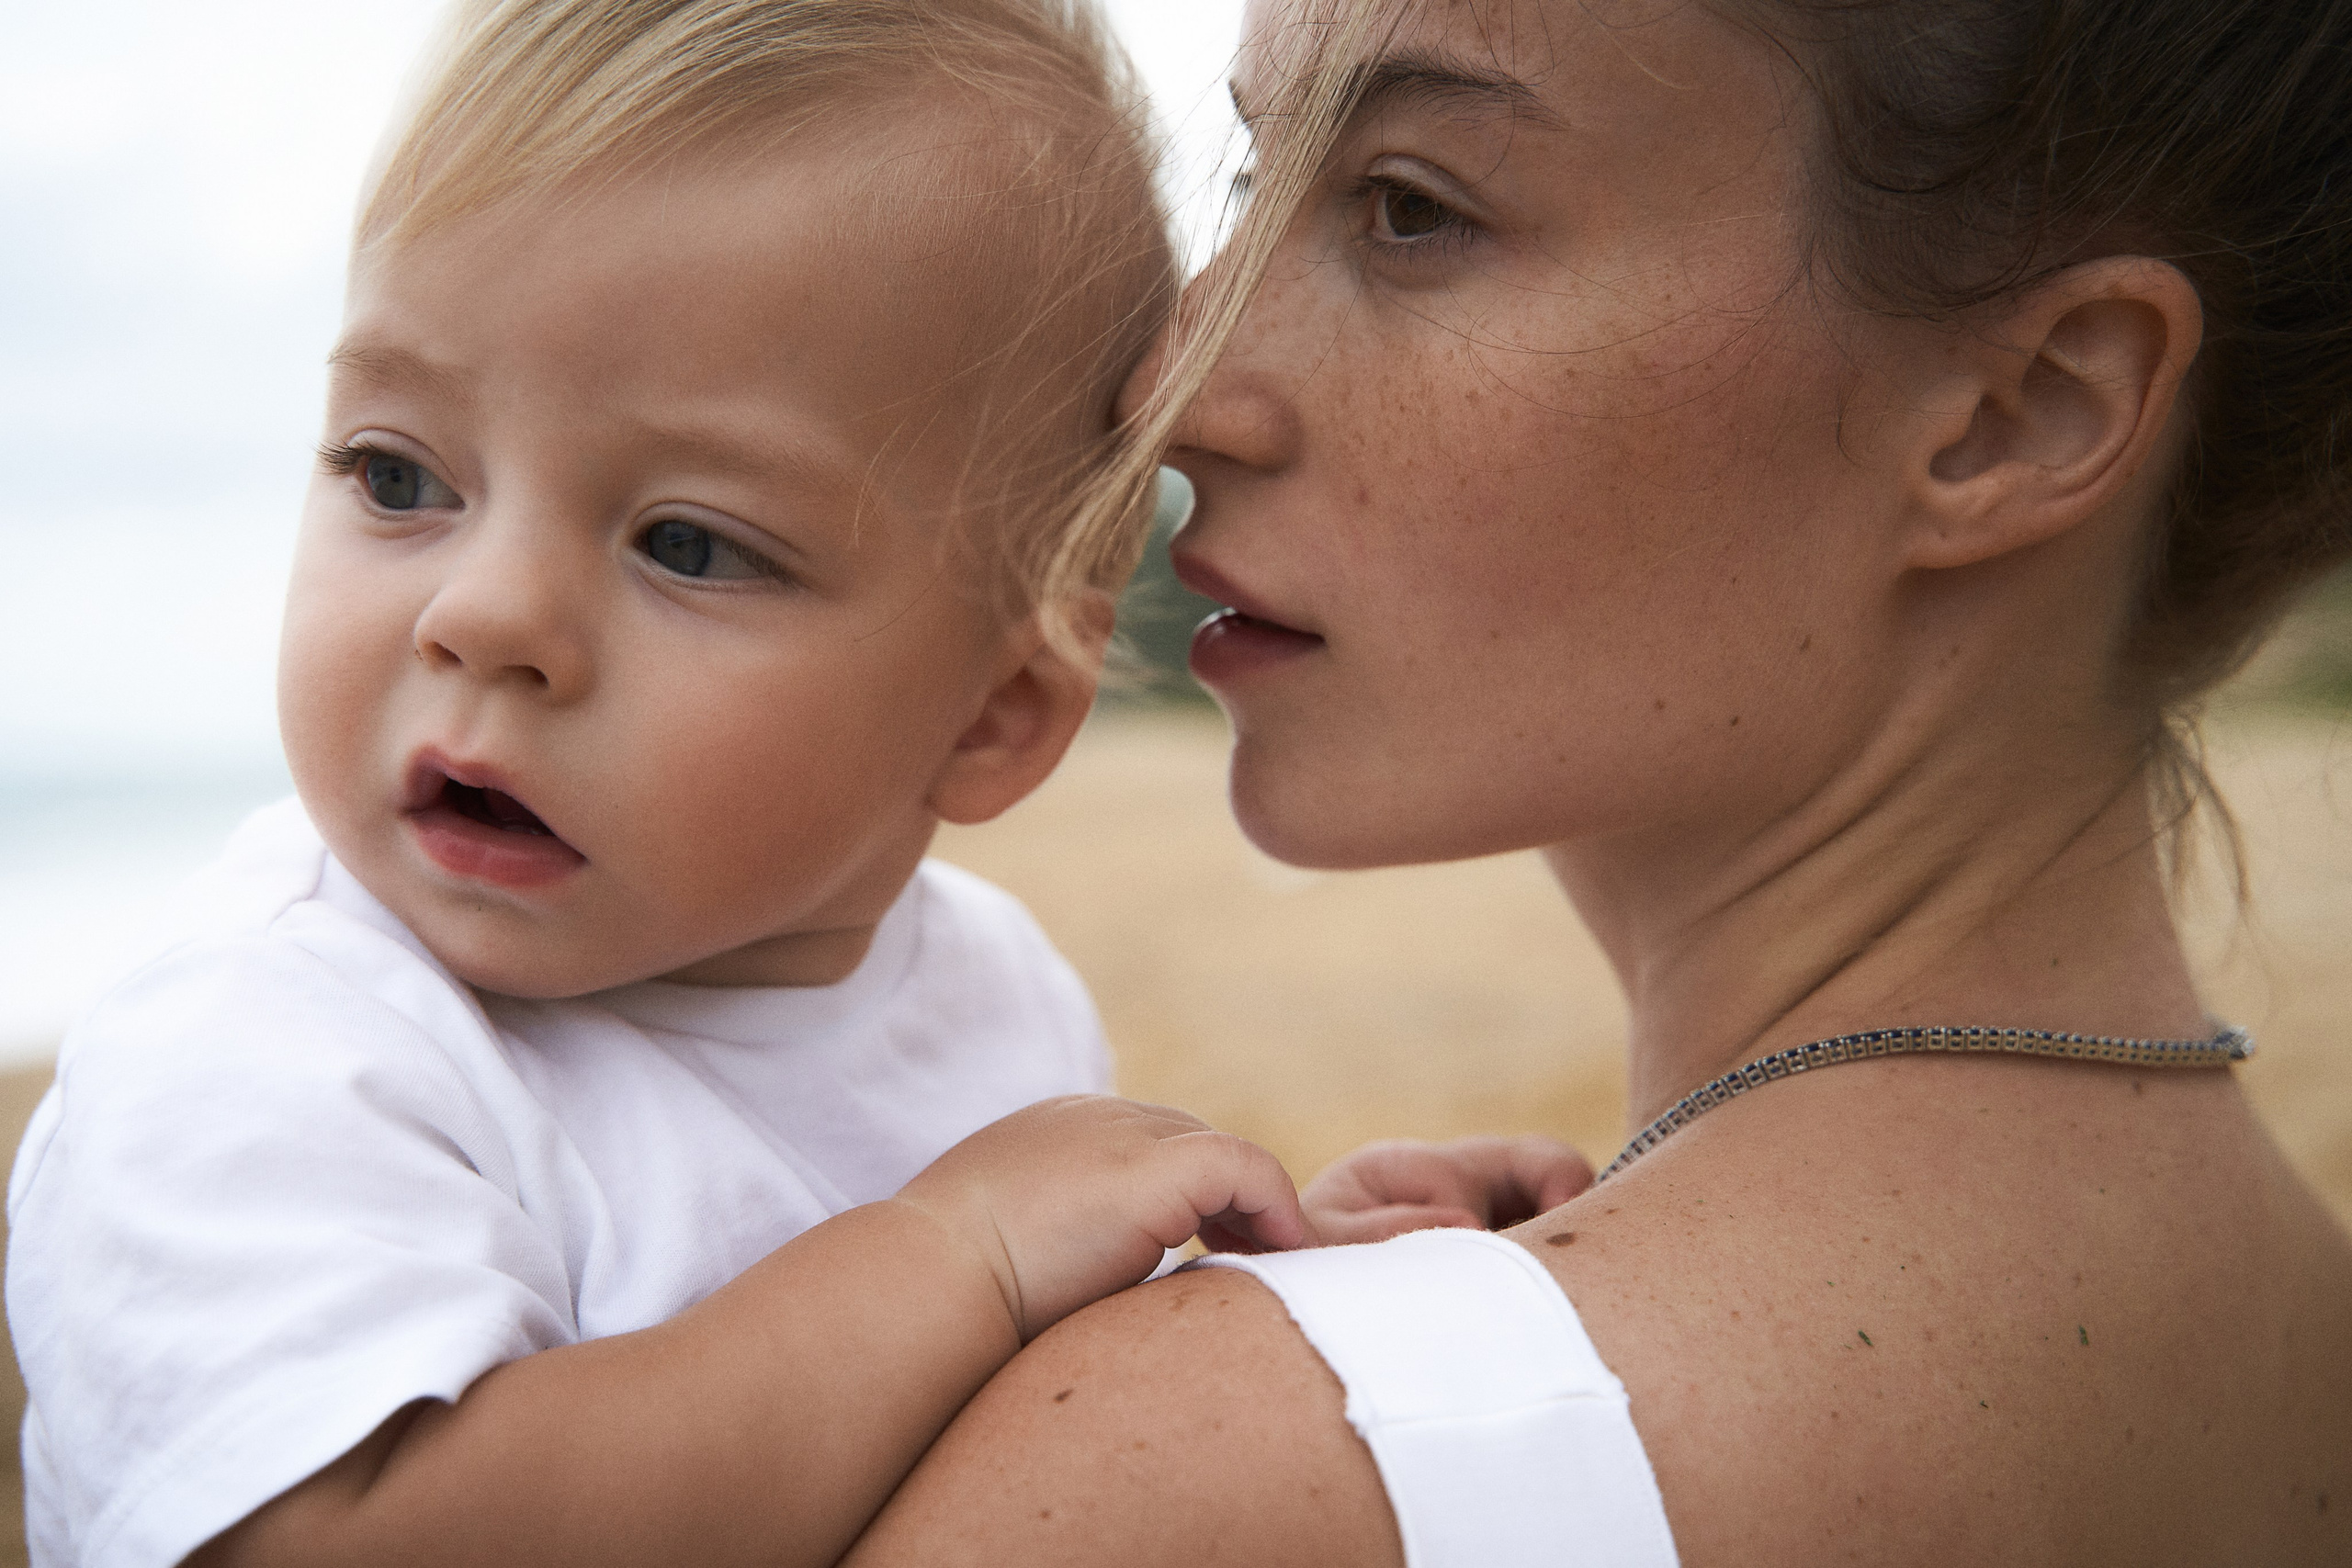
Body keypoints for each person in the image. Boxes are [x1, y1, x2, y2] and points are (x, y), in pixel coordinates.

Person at [3, 4, 1582, 1564]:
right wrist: (954, 1254)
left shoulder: (988, 994)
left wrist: (1266, 1286)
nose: (480, 614)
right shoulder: (269, 1045)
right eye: (396, 474)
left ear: (989, 718)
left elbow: (988, 1445)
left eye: (687, 543)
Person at [834, 0, 2352, 1563]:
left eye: (1412, 210)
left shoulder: (1239, 1466)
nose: (1170, 388)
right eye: (1248, 185)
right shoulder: (2310, 1347)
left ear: (2020, 411)